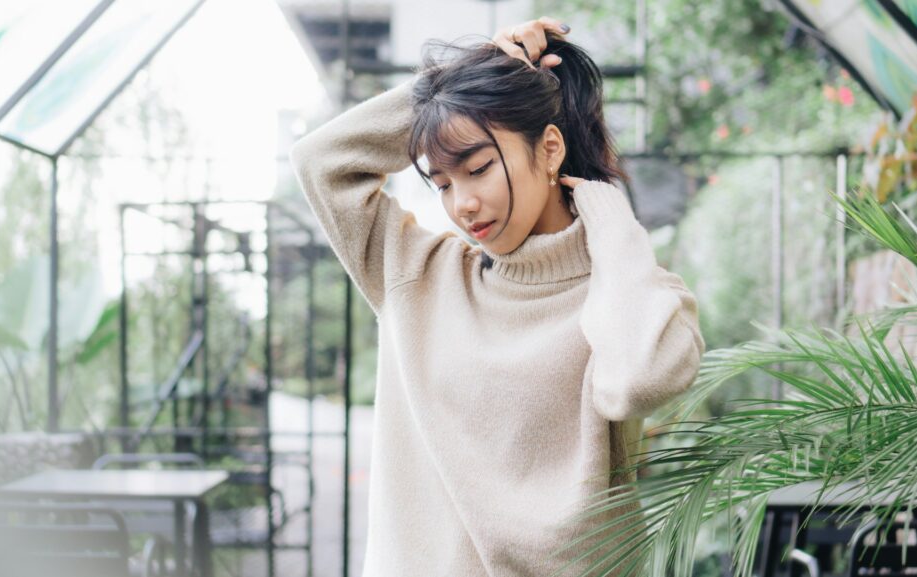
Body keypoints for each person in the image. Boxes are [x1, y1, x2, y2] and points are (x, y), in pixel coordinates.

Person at [289, 16, 706, 576]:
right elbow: (321, 162)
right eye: (441, 183)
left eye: (478, 167)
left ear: (550, 148)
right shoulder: (419, 276)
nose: (461, 203)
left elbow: (636, 381)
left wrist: (611, 219)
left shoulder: (633, 293)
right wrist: (457, 86)